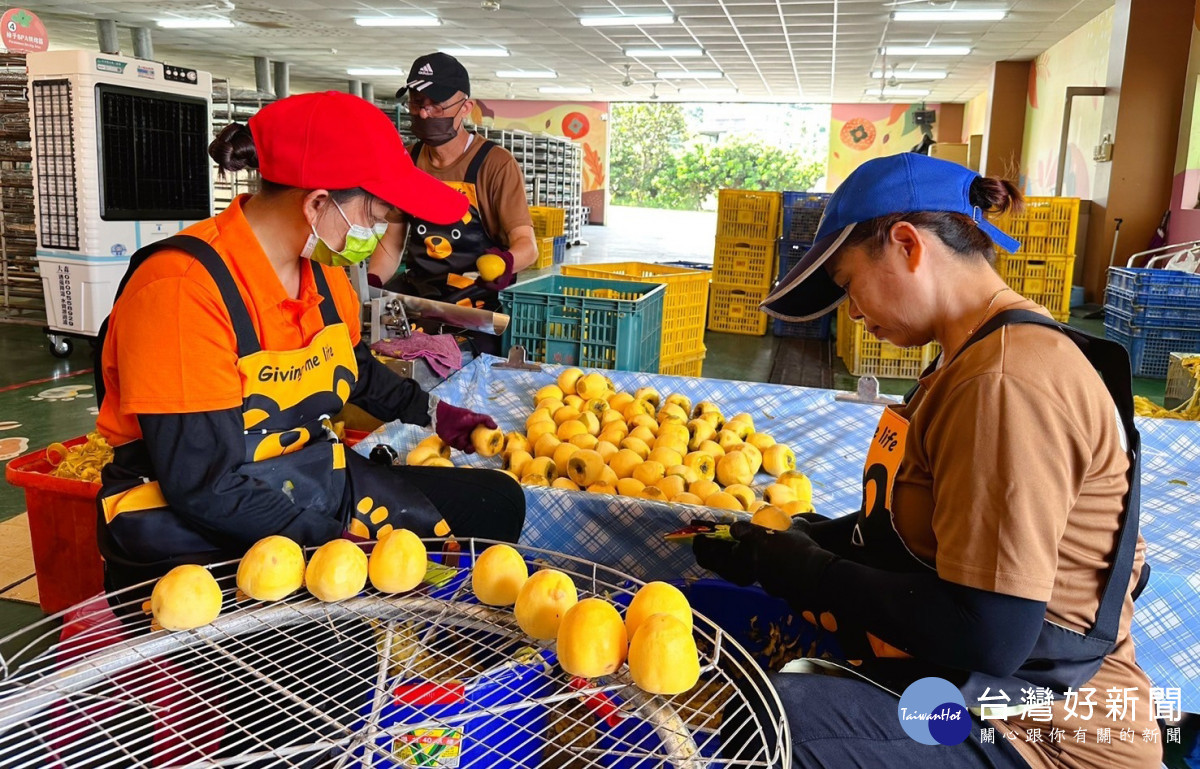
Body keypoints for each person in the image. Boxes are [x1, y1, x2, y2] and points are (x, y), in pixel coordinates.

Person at [695, 153, 1161, 768]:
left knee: (783, 723)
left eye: (848, 282)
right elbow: (935, 538)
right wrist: (802, 541)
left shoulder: (1004, 381)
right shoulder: (972, 356)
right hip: (985, 697)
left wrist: (813, 571)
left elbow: (989, 632)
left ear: (908, 245)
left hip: (1041, 738)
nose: (852, 312)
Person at [94, 91, 526, 593]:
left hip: (305, 479)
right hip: (199, 528)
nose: (382, 229)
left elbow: (353, 369)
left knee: (496, 502)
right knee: (348, 656)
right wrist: (341, 548)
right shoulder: (182, 290)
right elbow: (205, 486)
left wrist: (436, 414)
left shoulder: (322, 274)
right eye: (377, 213)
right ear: (319, 202)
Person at [367, 52, 538, 325]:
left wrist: (505, 262)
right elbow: (392, 239)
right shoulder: (407, 161)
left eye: (436, 105)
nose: (424, 113)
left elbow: (527, 246)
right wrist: (371, 285)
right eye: (417, 103)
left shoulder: (495, 164)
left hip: (474, 302)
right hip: (418, 296)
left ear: (465, 107)